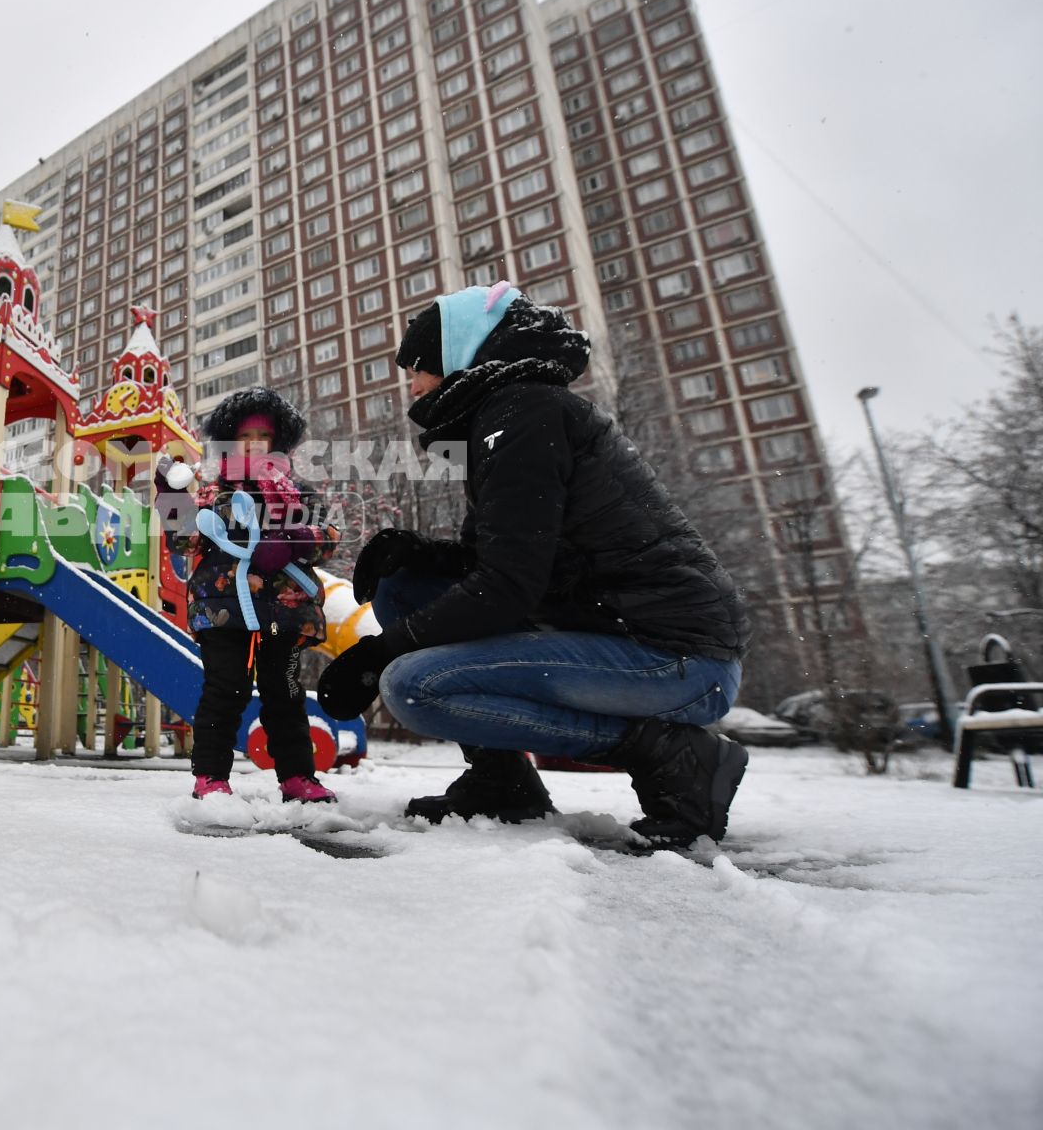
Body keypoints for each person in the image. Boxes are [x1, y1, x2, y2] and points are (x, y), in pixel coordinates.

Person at [316, 282, 753, 849]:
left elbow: (507, 587)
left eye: (420, 367)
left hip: (677, 660)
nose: (414, 386)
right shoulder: (508, 416)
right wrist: (419, 554)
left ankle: (672, 756)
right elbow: (512, 562)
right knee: (406, 587)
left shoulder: (524, 413)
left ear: (462, 356)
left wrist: (379, 654)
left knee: (414, 686)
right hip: (615, 636)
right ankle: (503, 782)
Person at [156, 387, 339, 804]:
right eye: (246, 435)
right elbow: (185, 542)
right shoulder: (210, 489)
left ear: (278, 441)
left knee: (285, 690)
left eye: (264, 434)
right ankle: (211, 778)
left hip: (285, 605)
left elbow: (328, 539)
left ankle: (297, 777)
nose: (255, 443)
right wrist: (170, 498)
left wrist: (292, 540)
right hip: (224, 606)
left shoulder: (299, 492)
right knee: (225, 687)